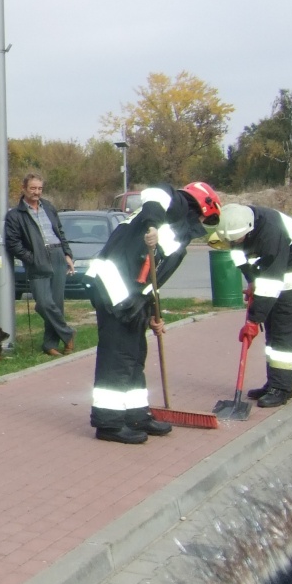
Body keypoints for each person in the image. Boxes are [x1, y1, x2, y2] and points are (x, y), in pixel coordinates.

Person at [85, 181, 222, 443]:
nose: (205, 223)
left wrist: (151, 314)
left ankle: (136, 415)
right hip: (114, 289)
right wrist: (153, 226)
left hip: (132, 295)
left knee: (135, 356)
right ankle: (108, 423)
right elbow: (156, 192)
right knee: (118, 356)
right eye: (207, 217)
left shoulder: (180, 230)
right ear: (201, 206)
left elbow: (153, 277)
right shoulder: (173, 205)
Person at [207, 203, 292, 408]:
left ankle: (282, 389)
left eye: (237, 240)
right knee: (272, 333)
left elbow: (271, 283)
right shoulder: (236, 221)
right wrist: (251, 280)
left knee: (285, 334)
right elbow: (240, 258)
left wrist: (254, 320)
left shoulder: (271, 234)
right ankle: (273, 384)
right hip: (272, 273)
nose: (234, 243)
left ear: (249, 231)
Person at [5, 172, 76, 357]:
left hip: (57, 255)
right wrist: (32, 258)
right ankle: (68, 333)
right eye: (33, 188)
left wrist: (67, 254)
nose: (36, 192)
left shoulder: (49, 207)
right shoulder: (15, 215)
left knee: (56, 304)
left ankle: (50, 344)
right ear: (24, 189)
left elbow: (59, 232)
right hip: (37, 260)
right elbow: (13, 243)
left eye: (39, 189)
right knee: (44, 304)